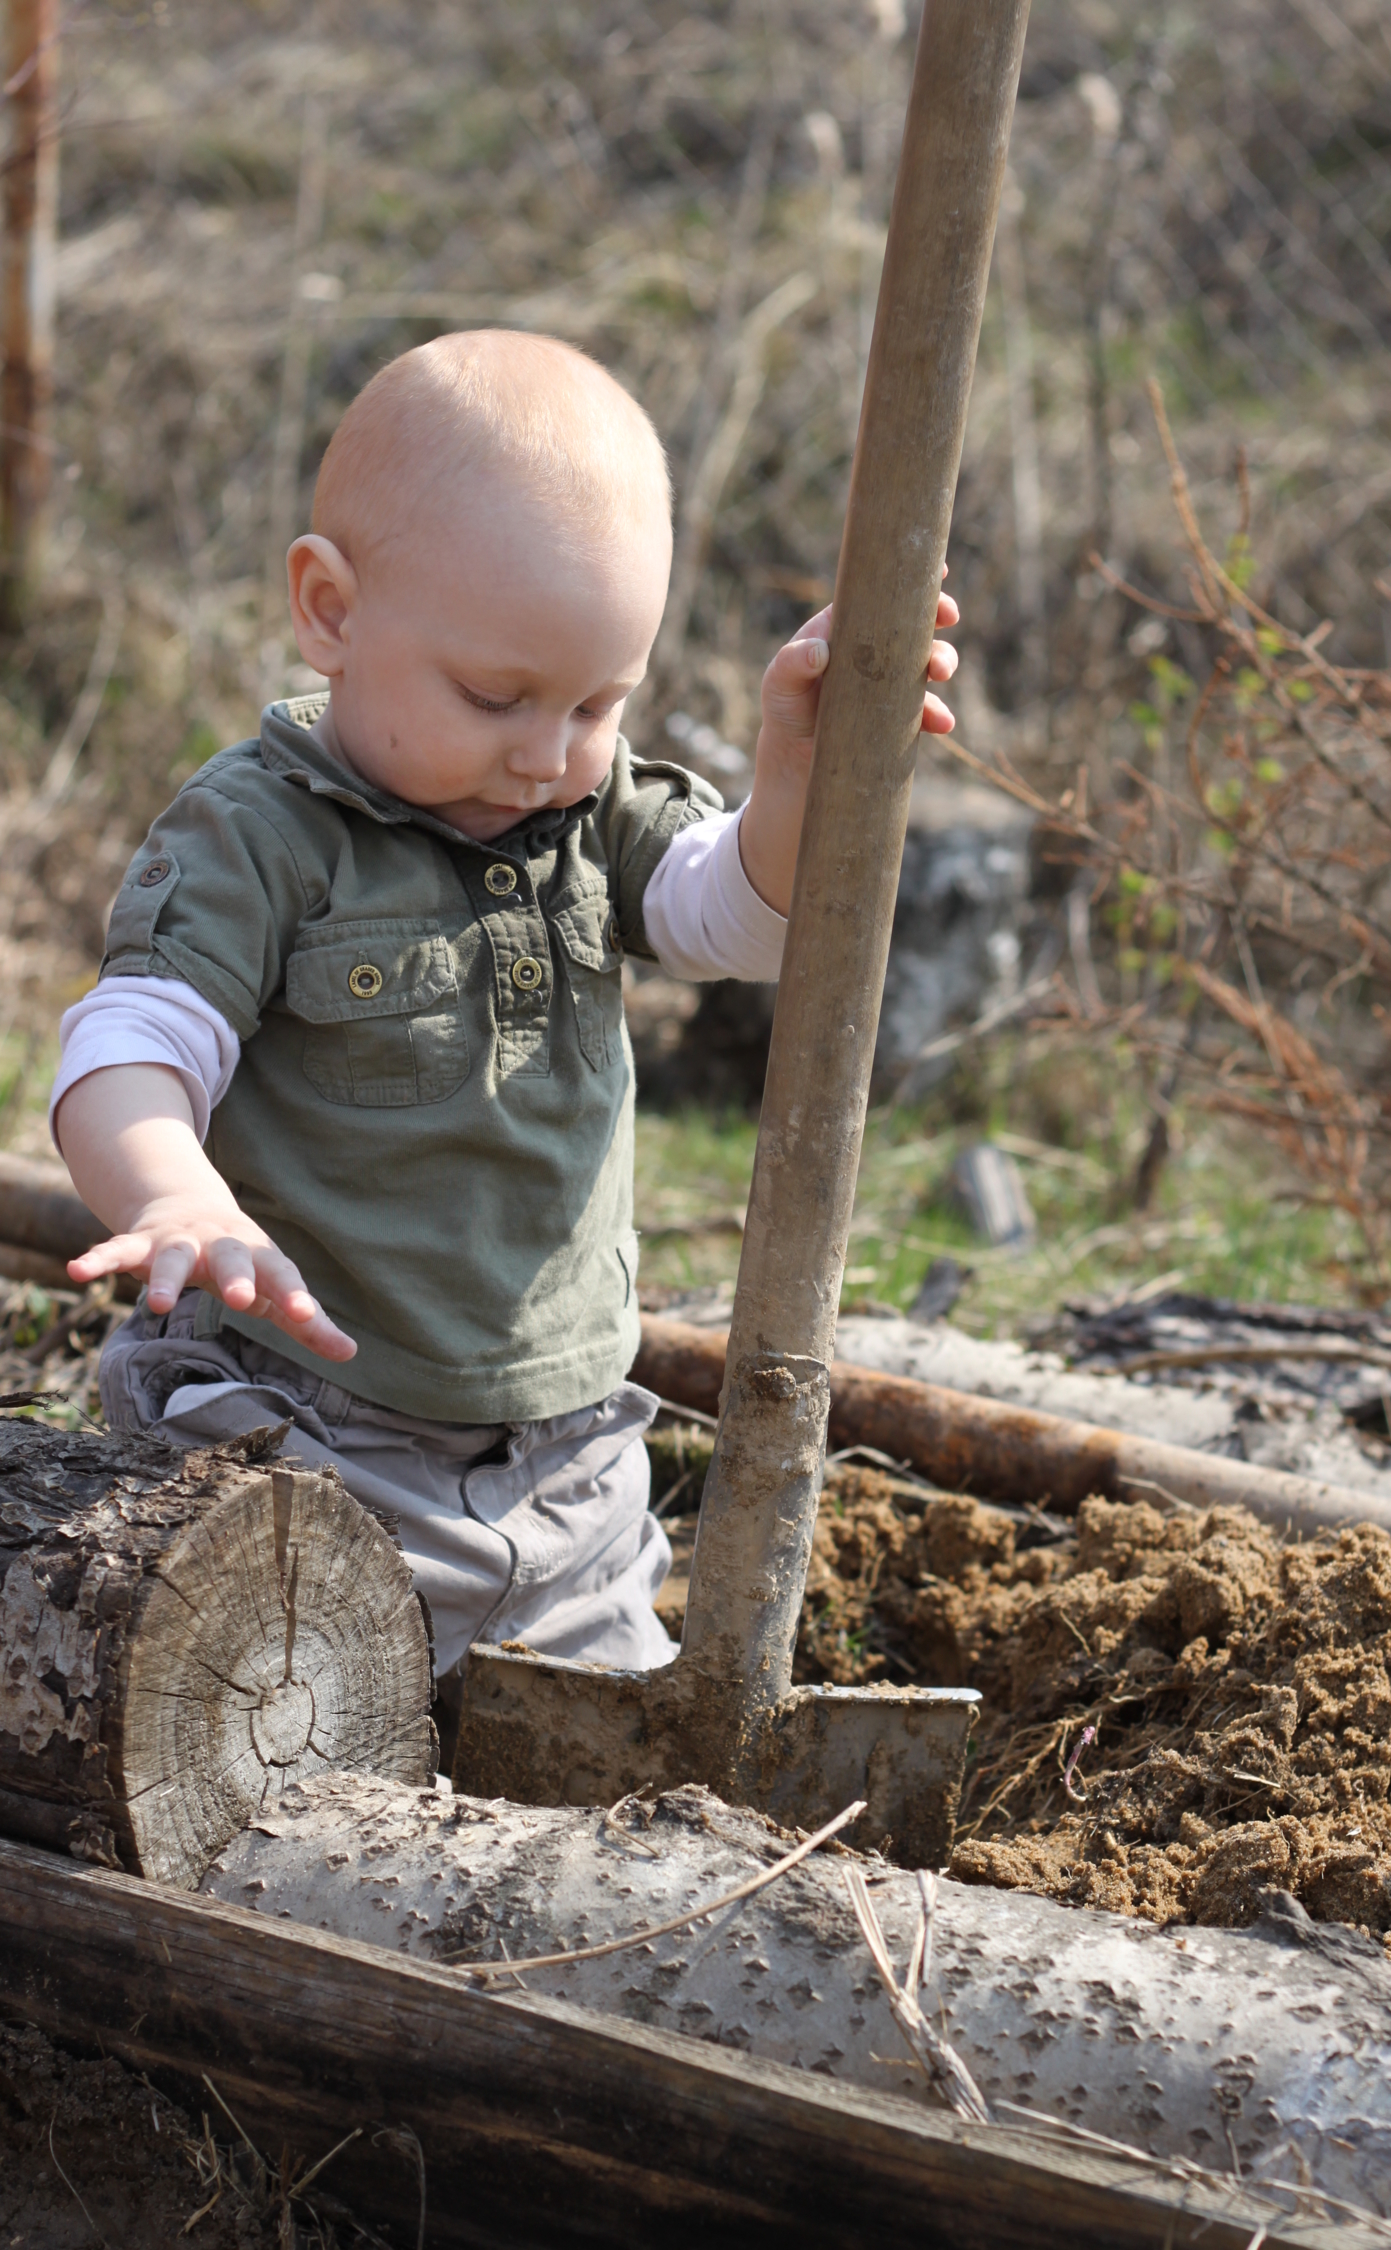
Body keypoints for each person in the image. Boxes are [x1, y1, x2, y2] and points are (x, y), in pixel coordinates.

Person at [51, 328, 959, 1697]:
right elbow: (133, 1041)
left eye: (599, 699)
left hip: (564, 1459)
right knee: (248, 1711)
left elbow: (739, 922)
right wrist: (174, 1193)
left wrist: (792, 771)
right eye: (493, 697)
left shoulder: (590, 808)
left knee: (600, 1764)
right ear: (331, 609)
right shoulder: (265, 834)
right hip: (303, 1431)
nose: (544, 752)